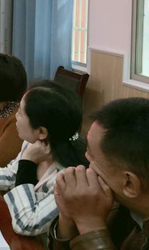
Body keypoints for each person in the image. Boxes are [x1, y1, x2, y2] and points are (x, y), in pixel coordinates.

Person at [0, 81, 88, 236]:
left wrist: (28, 161)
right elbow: (12, 174)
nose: (15, 117)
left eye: (20, 113)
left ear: (41, 132)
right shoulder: (35, 144)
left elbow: (27, 223)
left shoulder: (69, 177)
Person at [48, 98, 149, 249]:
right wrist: (68, 217)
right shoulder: (118, 207)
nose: (85, 165)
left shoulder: (103, 208)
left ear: (129, 183)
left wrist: (89, 223)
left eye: (91, 157)